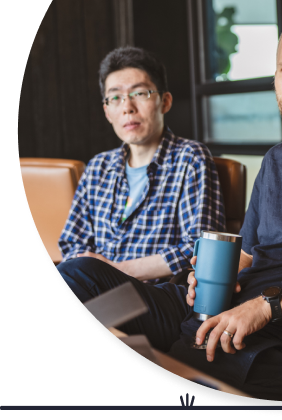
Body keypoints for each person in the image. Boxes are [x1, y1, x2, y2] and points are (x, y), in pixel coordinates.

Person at [57, 16, 282, 401]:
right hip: (205, 308)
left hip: (272, 337)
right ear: (276, 80)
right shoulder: (277, 159)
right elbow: (245, 255)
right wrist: (211, 278)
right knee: (79, 278)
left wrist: (268, 306)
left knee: (138, 354)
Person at [56, 46, 225, 283]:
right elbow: (72, 243)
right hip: (97, 293)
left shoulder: (190, 158)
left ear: (165, 102)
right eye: (115, 97)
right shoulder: (98, 167)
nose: (127, 107)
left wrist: (114, 270)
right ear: (107, 112)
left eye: (139, 93)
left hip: (156, 297)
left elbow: (200, 248)